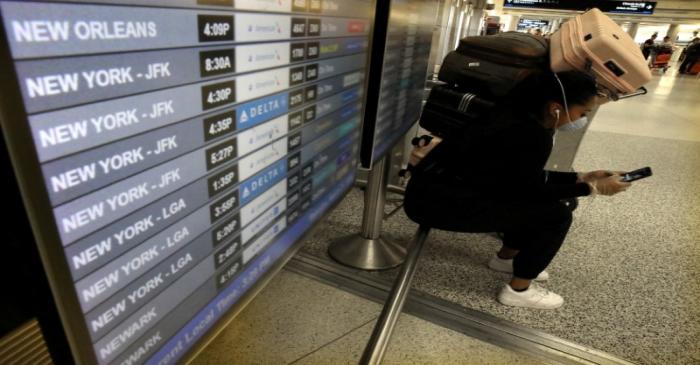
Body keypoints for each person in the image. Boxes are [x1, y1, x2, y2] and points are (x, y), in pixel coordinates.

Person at [403, 71, 631, 310]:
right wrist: (590, 188)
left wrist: (581, 177)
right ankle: (519, 290)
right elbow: (527, 191)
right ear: (555, 108)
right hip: (437, 205)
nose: (581, 119)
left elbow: (520, 178)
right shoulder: (531, 135)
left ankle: (506, 259)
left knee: (529, 204)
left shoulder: (509, 116)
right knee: (557, 215)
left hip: (428, 194)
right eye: (581, 113)